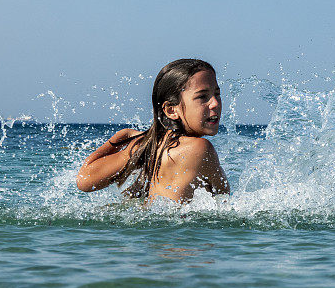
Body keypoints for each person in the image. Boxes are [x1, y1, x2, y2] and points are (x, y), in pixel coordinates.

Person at [76, 59, 229, 203]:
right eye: (202, 97)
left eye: (217, 94)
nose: (215, 103)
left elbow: (84, 180)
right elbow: (224, 199)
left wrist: (122, 136)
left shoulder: (145, 146)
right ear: (171, 110)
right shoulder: (201, 148)